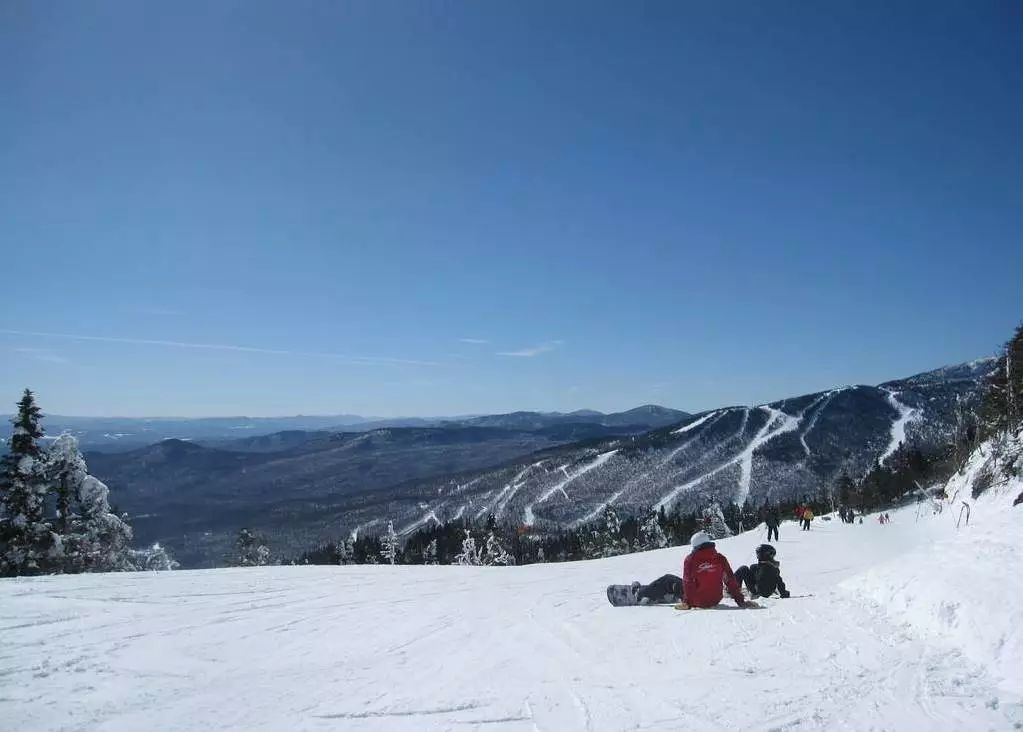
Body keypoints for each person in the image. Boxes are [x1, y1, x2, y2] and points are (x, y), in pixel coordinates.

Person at [677, 531, 749, 609]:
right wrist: (740, 600)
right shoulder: (720, 558)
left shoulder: (690, 559)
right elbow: (730, 579)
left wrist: (687, 602)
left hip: (697, 601)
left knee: (668, 579)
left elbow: (687, 582)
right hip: (716, 599)